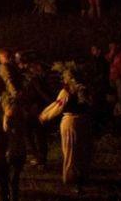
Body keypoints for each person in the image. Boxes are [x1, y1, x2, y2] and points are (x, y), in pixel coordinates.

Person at [39, 65, 93, 193]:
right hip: (84, 122)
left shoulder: (67, 91)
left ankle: (72, 180)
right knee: (82, 151)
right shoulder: (84, 89)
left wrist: (44, 116)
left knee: (70, 152)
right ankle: (82, 177)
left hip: (70, 122)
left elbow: (58, 106)